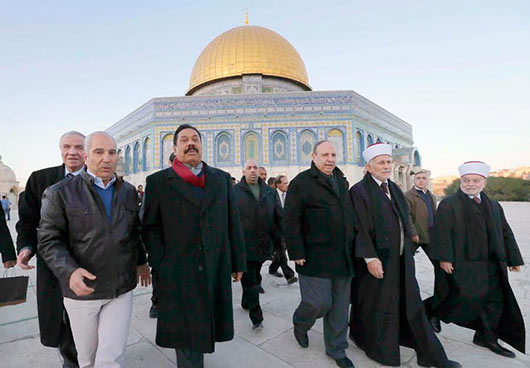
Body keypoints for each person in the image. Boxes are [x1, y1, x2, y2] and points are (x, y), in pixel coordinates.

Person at [38, 131, 150, 368]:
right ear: (87, 156)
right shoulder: (59, 193)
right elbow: (49, 240)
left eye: (112, 152)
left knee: (110, 358)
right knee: (87, 359)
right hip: (83, 291)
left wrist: (141, 262)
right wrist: (69, 271)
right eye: (99, 152)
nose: (106, 159)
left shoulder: (128, 192)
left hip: (120, 288)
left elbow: (133, 233)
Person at [141, 124, 246, 368]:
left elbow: (233, 222)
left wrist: (237, 261)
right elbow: (149, 226)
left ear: (201, 145)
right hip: (177, 268)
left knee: (203, 322)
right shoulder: (158, 182)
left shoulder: (220, 179)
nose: (191, 143)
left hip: (213, 264)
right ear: (175, 148)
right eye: (184, 139)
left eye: (195, 139)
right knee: (186, 331)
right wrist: (161, 261)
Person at [349, 143, 460, 368]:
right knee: (376, 304)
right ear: (369, 167)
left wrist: (410, 239)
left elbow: (404, 219)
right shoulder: (359, 191)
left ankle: (430, 354)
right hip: (378, 262)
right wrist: (370, 258)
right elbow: (358, 227)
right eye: (381, 162)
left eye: (388, 162)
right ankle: (375, 346)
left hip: (401, 260)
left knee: (412, 303)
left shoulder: (394, 188)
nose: (386, 166)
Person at [425, 161, 525, 358]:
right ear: (461, 181)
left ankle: (486, 337)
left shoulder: (494, 205)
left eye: (475, 180)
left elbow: (505, 232)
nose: (470, 184)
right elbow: (441, 233)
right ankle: (431, 310)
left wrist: (513, 258)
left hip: (492, 262)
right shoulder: (449, 204)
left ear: (483, 183)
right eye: (466, 180)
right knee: (464, 297)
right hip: (463, 262)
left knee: (494, 301)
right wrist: (444, 258)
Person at [16, 131, 86, 368]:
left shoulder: (100, 179)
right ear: (60, 150)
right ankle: (71, 360)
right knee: (61, 317)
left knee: (87, 318)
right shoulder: (40, 180)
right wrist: (26, 247)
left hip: (89, 262)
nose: (72, 152)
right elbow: (27, 220)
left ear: (86, 151)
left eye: (78, 147)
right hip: (54, 263)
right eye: (67, 146)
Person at [283, 140, 356, 368]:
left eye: (333, 154)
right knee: (318, 303)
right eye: (325, 154)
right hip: (314, 256)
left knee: (340, 307)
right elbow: (291, 219)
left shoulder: (342, 181)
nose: (330, 159)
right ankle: (300, 322)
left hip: (342, 256)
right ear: (314, 157)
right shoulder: (302, 183)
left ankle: (336, 349)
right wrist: (296, 251)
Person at [234, 160, 282, 329]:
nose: (253, 171)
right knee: (251, 279)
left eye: (255, 168)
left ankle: (246, 301)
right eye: (249, 168)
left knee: (254, 275)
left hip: (263, 244)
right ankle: (257, 316)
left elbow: (278, 217)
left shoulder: (269, 192)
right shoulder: (234, 192)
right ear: (243, 170)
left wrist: (280, 242)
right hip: (243, 246)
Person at [405, 170, 441, 331]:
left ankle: (435, 311)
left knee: (441, 269)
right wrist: (413, 233)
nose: (420, 180)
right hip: (416, 238)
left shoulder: (431, 196)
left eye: (423, 178)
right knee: (407, 269)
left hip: (431, 237)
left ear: (427, 180)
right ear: (414, 180)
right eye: (418, 178)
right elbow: (407, 216)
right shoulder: (409, 196)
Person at [268, 175, 297, 284]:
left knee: (281, 251)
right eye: (284, 183)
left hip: (286, 229)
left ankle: (273, 268)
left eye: (287, 182)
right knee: (281, 252)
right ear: (278, 185)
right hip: (275, 229)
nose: (287, 185)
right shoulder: (271, 195)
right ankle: (289, 275)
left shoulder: (289, 195)